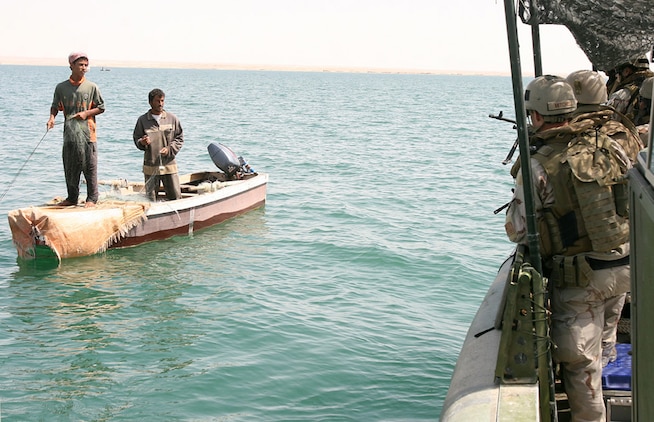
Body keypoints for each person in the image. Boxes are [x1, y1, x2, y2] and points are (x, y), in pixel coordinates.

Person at [505, 75, 631, 422]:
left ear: (537, 116)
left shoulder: (537, 164)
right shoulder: (605, 143)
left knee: (580, 366)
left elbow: (518, 230)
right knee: (606, 340)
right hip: (624, 266)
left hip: (581, 279)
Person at [566, 69, 641, 370]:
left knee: (582, 353)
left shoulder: (574, 140)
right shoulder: (626, 131)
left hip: (588, 261)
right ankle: (608, 363)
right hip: (625, 251)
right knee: (610, 327)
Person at [46, 52, 105, 208]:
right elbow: (55, 106)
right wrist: (52, 118)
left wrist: (86, 113)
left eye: (86, 65)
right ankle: (72, 197)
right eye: (80, 65)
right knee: (70, 166)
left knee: (89, 166)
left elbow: (101, 107)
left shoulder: (92, 87)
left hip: (88, 134)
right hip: (69, 135)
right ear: (71, 66)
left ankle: (92, 198)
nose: (84, 68)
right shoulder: (61, 87)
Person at [133, 89, 184, 201]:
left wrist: (169, 149)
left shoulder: (172, 119)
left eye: (162, 101)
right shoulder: (142, 120)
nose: (160, 104)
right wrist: (142, 142)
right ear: (150, 102)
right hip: (150, 166)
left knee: (175, 197)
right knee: (151, 199)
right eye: (157, 101)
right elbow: (136, 139)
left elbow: (179, 138)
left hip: (169, 166)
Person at [606, 56, 654, 124]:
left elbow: (608, 124)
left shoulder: (621, 95)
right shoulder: (650, 84)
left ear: (626, 71)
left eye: (617, 73)